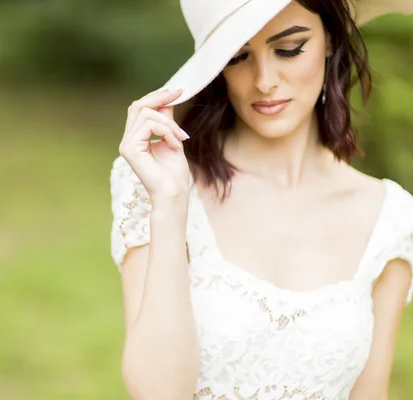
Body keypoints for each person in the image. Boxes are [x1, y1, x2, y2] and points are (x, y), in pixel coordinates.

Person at [109, 0, 413, 399]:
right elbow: (157, 394)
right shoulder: (160, 187)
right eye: (238, 57)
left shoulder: (391, 217)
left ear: (329, 42)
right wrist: (169, 206)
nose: (265, 80)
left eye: (289, 49)